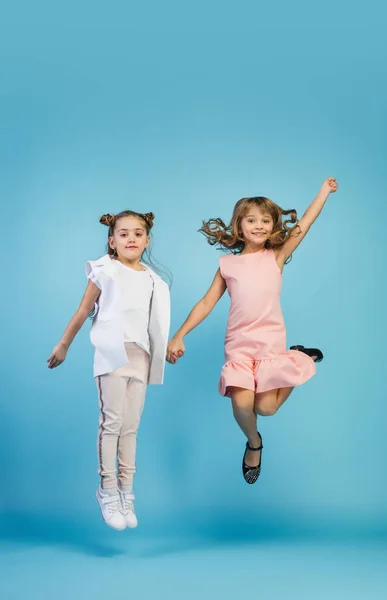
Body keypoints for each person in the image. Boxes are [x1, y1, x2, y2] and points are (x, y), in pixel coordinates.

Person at [167, 178, 338, 484]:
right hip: (239, 346)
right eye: (251, 220)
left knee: (267, 409)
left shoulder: (276, 256)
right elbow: (206, 303)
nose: (259, 225)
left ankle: (297, 357)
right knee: (242, 405)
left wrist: (323, 192)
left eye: (266, 220)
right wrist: (179, 335)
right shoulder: (227, 265)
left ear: (273, 226)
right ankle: (254, 443)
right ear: (239, 226)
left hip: (270, 343)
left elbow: (306, 223)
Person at [47, 211, 170, 529]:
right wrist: (64, 344)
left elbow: (152, 323)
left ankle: (127, 492)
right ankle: (107, 490)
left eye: (138, 233)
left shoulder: (153, 280)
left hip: (140, 357)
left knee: (131, 427)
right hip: (113, 354)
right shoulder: (105, 270)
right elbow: (83, 310)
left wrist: (165, 348)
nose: (131, 238)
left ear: (147, 240)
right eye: (124, 233)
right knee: (112, 423)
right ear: (111, 240)